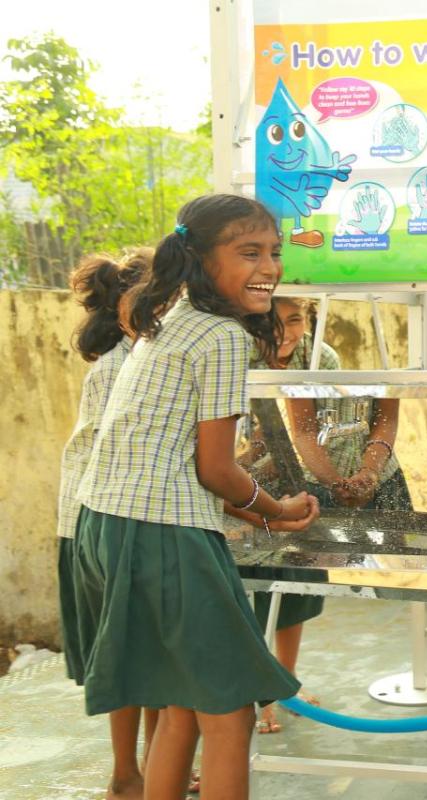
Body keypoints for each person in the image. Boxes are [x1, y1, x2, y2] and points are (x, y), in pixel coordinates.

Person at [73, 194, 320, 800]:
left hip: (107, 523)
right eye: (249, 253)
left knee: (184, 703)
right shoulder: (220, 337)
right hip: (163, 536)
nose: (269, 267)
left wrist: (245, 507)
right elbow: (215, 468)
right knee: (230, 710)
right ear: (200, 259)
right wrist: (275, 508)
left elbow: (171, 455)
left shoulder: (168, 322)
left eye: (275, 253)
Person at [244, 295, 411, 733]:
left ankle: (284, 682)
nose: (287, 332)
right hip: (237, 484)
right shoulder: (234, 351)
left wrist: (347, 478)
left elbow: (311, 430)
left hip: (294, 484)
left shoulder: (316, 354)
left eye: (296, 319)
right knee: (252, 588)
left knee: (293, 584)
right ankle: (254, 692)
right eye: (273, 321)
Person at [57, 249, 155, 799]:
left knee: (133, 653)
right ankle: (130, 773)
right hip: (109, 518)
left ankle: (142, 767)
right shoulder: (130, 362)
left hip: (89, 517)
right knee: (135, 656)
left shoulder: (124, 354)